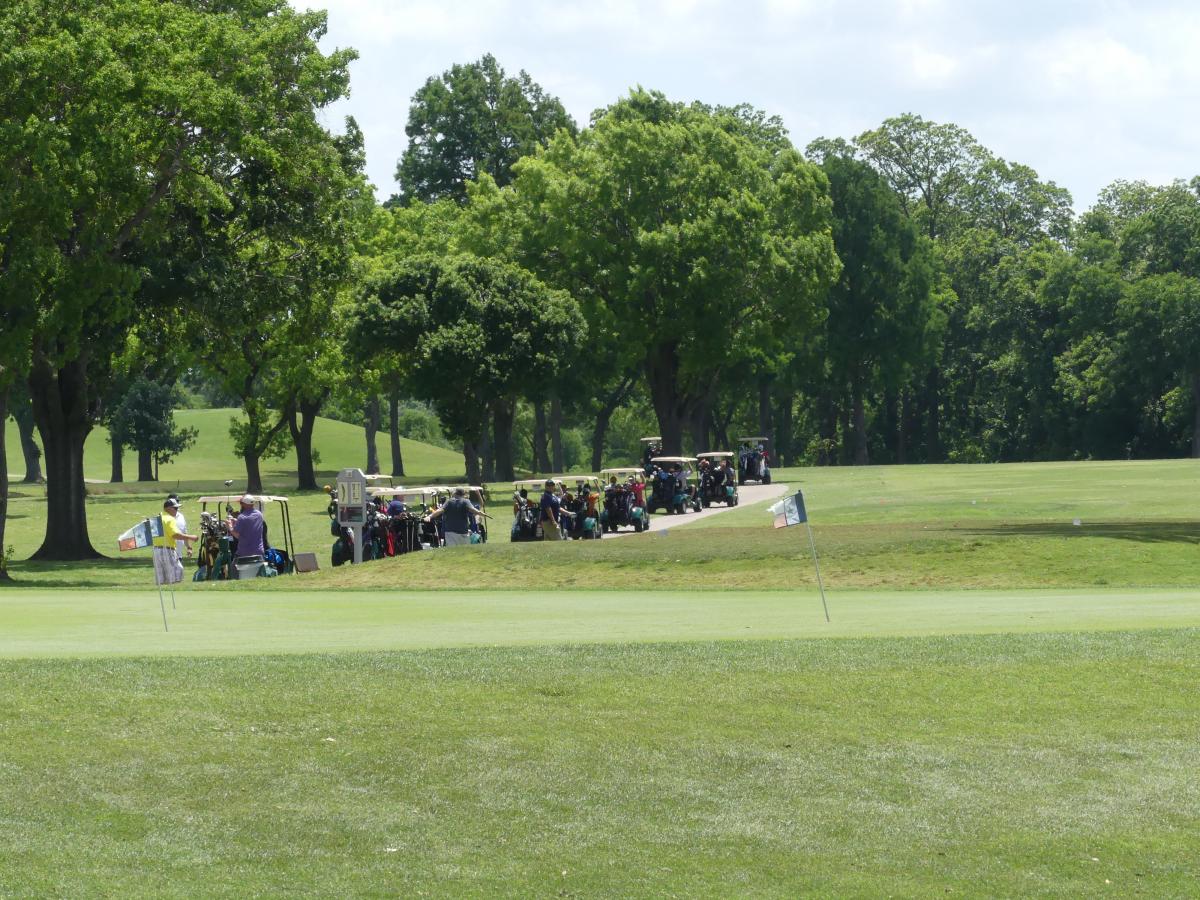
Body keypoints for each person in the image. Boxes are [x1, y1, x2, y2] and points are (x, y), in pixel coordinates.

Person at [153, 498, 198, 586]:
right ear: (169, 509)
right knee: (178, 572)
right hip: (167, 550)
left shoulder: (157, 517)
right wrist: (191, 537)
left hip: (156, 550)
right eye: (175, 508)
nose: (177, 511)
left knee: (161, 579)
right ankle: (177, 593)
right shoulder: (170, 519)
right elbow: (175, 535)